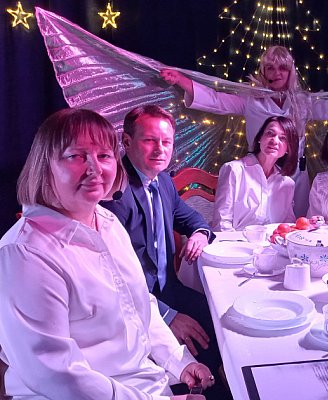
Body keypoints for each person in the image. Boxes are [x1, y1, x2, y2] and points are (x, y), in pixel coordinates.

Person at [0, 108, 212, 399]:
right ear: (46, 165)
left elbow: (138, 303)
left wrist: (179, 361)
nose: (95, 168)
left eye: (103, 155)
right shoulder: (25, 254)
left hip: (146, 384)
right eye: (76, 156)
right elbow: (56, 376)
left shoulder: (107, 221)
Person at [160, 45, 328, 217]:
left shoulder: (302, 101)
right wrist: (180, 80)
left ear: (291, 72)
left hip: (296, 175)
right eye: (270, 68)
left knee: (297, 225)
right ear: (262, 71)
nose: (276, 73)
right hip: (262, 173)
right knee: (263, 221)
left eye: (283, 68)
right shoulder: (251, 100)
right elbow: (216, 99)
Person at [100, 105, 230, 399]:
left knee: (220, 317)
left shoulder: (163, 181)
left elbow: (191, 218)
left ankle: (216, 383)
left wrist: (200, 233)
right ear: (127, 141)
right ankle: (194, 388)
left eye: (166, 141)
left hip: (168, 288)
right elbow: (114, 282)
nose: (160, 149)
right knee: (204, 338)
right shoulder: (114, 194)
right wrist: (167, 316)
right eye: (149, 140)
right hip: (135, 306)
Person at [213, 116, 298, 231]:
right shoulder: (234, 170)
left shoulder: (287, 184)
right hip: (236, 240)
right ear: (260, 138)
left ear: (288, 148)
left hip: (272, 241)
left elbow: (288, 224)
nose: (274, 141)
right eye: (270, 133)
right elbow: (221, 223)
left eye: (283, 138)